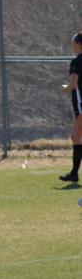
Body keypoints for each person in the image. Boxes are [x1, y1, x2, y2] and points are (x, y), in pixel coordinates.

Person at [60, 33, 82, 182]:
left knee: (76, 137)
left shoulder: (76, 62)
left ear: (79, 43)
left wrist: (65, 88)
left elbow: (73, 84)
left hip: (81, 104)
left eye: (73, 42)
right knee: (77, 138)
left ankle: (74, 173)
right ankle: (74, 173)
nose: (72, 44)